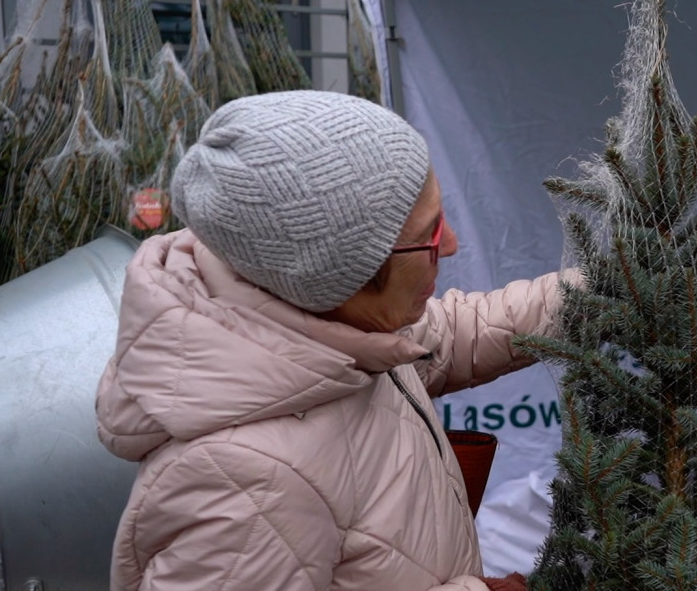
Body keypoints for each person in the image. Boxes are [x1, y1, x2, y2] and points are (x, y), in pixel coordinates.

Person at [96, 90, 553, 591]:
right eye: (430, 233)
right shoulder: (247, 484)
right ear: (340, 274)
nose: (450, 244)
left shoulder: (339, 329)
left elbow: (453, 333)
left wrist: (601, 287)